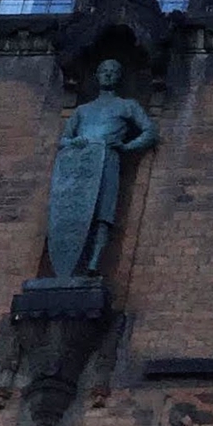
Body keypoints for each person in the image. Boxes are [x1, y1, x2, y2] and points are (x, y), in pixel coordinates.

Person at [43, 57, 157, 281]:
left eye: (113, 71)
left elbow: (150, 132)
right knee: (73, 214)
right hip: (80, 166)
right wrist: (73, 143)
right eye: (104, 71)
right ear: (96, 75)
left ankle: (94, 264)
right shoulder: (82, 111)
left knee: (103, 214)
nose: (108, 74)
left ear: (119, 77)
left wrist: (126, 146)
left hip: (108, 161)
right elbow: (64, 140)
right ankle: (69, 266)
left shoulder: (127, 106)